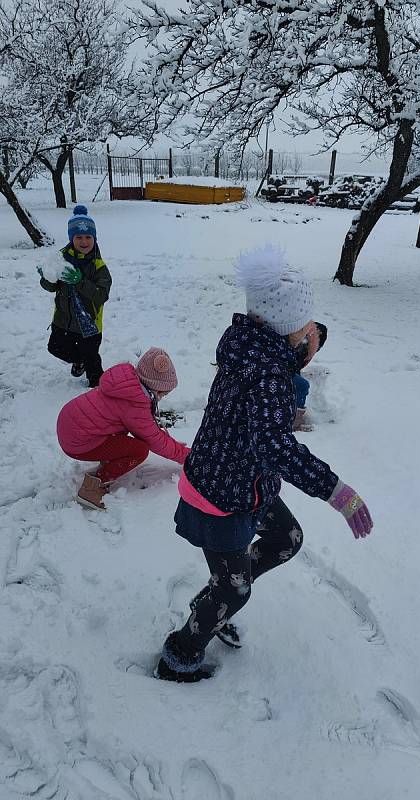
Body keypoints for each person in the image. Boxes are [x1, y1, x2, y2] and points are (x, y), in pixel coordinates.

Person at [155, 244, 373, 683]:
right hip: (219, 497)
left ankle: (215, 601)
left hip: (243, 482)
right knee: (235, 589)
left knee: (287, 538)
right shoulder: (267, 376)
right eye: (309, 328)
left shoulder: (251, 347)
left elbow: (263, 428)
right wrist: (336, 491)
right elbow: (275, 447)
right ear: (290, 330)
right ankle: (180, 655)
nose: (315, 335)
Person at [57, 348, 189, 510]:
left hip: (71, 426)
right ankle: (92, 488)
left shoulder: (127, 384)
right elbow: (154, 440)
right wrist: (187, 456)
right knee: (139, 450)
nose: (162, 397)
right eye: (163, 393)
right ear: (156, 387)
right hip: (78, 442)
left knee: (125, 430)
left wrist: (172, 443)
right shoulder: (134, 405)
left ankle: (109, 457)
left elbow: (148, 428)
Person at [38, 205, 112, 388]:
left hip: (89, 324)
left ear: (94, 238)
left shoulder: (98, 266)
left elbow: (101, 295)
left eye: (88, 237)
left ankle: (98, 388)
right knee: (55, 348)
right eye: (78, 237)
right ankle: (79, 361)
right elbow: (50, 286)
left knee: (92, 361)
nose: (84, 241)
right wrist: (47, 276)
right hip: (63, 320)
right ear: (72, 239)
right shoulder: (61, 259)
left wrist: (79, 281)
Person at [292, 321, 328, 432]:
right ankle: (294, 422)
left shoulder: (298, 336)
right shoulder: (305, 345)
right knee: (302, 385)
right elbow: (291, 366)